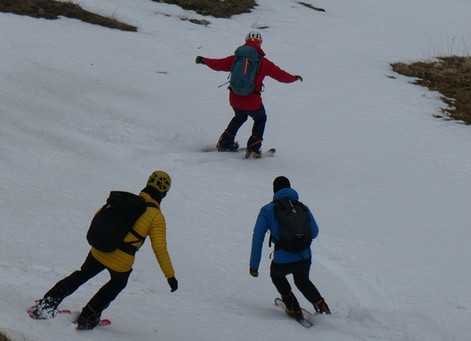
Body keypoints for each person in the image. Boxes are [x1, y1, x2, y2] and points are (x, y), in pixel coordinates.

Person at [28, 171, 178, 330]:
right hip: (122, 260)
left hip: (100, 249)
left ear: (147, 183)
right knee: (117, 282)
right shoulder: (156, 217)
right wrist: (170, 276)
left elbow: (99, 215)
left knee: (81, 275)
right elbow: (160, 248)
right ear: (164, 193)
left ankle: (47, 305)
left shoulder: (124, 200)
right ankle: (88, 316)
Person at [195, 31, 303, 158]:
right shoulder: (263, 62)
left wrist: (204, 60)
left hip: (235, 98)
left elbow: (219, 64)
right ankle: (254, 147)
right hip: (252, 100)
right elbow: (281, 76)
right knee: (260, 119)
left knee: (239, 117)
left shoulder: (236, 58)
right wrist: (294, 78)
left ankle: (225, 142)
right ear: (260, 43)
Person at [249, 176, 331, 319]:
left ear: (274, 190)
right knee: (302, 281)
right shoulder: (302, 207)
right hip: (304, 257)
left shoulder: (267, 210)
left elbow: (258, 238)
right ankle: (323, 308)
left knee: (276, 276)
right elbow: (315, 232)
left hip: (282, 260)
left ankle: (292, 307)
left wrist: (254, 266)